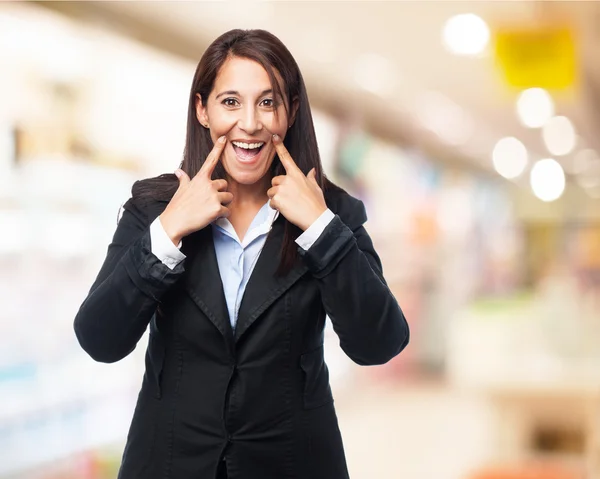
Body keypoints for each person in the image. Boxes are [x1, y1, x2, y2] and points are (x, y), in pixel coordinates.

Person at [74, 28, 409, 479]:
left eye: (267, 102)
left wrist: (322, 230)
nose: (249, 123)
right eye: (230, 101)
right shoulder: (154, 209)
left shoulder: (333, 213)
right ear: (203, 110)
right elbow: (101, 339)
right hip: (170, 463)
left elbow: (379, 343)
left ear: (290, 111)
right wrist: (169, 231)